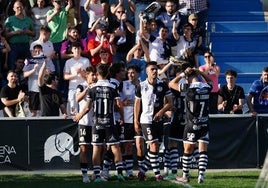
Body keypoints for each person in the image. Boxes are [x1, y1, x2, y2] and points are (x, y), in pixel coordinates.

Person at [73, 63, 125, 183]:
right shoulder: (112, 87)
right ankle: (120, 175)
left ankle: (97, 176)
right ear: (107, 74)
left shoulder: (93, 88)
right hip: (109, 123)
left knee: (96, 148)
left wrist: (79, 115)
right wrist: (121, 117)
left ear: (97, 74)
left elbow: (87, 108)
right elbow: (119, 105)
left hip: (97, 123)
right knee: (115, 147)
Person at [170, 67, 212, 184]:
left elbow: (171, 83)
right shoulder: (206, 87)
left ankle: (185, 175)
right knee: (203, 149)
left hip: (191, 124)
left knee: (187, 150)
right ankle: (201, 175)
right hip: (204, 123)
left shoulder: (188, 88)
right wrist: (200, 72)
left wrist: (183, 74)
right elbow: (211, 82)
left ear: (188, 78)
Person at [134, 61, 173, 181]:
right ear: (147, 72)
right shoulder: (141, 85)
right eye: (152, 69)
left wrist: (161, 112)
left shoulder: (163, 85)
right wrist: (136, 121)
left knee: (154, 148)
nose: (155, 71)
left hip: (158, 120)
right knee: (154, 145)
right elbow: (137, 104)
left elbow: (170, 102)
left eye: (156, 69)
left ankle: (141, 171)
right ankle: (157, 174)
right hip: (146, 119)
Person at [118, 65, 141, 178]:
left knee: (138, 145)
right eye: (129, 73)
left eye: (133, 72)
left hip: (138, 119)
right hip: (126, 119)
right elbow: (116, 101)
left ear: (138, 74)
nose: (130, 75)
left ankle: (140, 171)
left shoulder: (142, 84)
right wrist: (123, 104)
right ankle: (128, 171)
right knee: (126, 146)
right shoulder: (123, 84)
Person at [75, 66, 97, 183]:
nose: (94, 77)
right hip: (84, 123)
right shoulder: (81, 86)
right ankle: (84, 175)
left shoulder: (99, 87)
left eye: (95, 75)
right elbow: (77, 99)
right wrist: (87, 90)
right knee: (83, 148)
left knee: (97, 148)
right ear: (87, 76)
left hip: (95, 123)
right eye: (92, 75)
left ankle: (96, 172)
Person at [23, 44, 55, 116]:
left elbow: (52, 71)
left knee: (43, 108)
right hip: (33, 89)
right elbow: (24, 74)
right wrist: (33, 70)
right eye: (35, 51)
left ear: (42, 51)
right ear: (33, 52)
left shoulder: (47, 60)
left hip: (44, 89)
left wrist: (45, 71)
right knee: (33, 110)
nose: (37, 53)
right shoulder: (29, 61)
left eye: (39, 51)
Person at [4, 0, 35, 70]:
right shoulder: (9, 19)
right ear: (14, 9)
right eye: (17, 7)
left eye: (21, 7)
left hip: (25, 45)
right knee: (13, 65)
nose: (19, 8)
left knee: (28, 65)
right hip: (14, 46)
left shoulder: (28, 20)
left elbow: (34, 34)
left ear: (23, 8)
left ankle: (26, 80)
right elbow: (5, 34)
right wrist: (15, 33)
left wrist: (27, 32)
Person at [63, 41, 91, 115]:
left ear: (81, 50)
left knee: (84, 110)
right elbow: (65, 77)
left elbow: (90, 76)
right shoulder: (68, 62)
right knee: (73, 111)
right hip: (73, 88)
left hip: (84, 88)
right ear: (72, 50)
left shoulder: (86, 61)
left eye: (78, 48)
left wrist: (82, 74)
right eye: (75, 48)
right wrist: (75, 74)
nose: (77, 50)